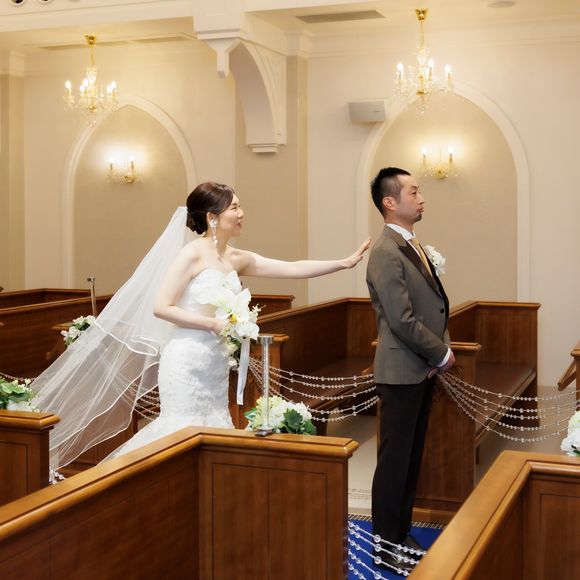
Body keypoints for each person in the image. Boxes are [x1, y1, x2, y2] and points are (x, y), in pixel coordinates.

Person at [35, 182, 370, 468]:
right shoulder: (191, 255)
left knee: (214, 432)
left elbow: (292, 268)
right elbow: (161, 306)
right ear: (212, 217)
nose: (241, 213)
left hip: (214, 365)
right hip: (185, 360)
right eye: (234, 207)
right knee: (179, 432)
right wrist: (210, 323)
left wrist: (343, 263)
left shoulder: (235, 257)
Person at [366, 167, 455, 574]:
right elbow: (401, 319)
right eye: (413, 192)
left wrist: (435, 355)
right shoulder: (385, 251)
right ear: (390, 202)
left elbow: (432, 304)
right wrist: (441, 353)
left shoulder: (411, 243)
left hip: (419, 368)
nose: (421, 199)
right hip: (401, 369)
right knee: (394, 463)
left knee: (411, 459)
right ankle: (384, 545)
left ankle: (400, 533)